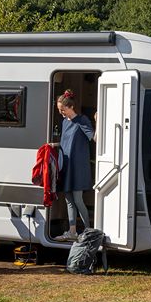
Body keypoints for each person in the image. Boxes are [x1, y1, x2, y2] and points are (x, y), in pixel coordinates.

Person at [52, 89, 94, 242]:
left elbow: (94, 138)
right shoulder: (64, 122)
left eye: (62, 109)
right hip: (66, 165)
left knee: (77, 199)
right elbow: (66, 142)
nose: (60, 112)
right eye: (59, 109)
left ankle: (88, 230)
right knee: (68, 200)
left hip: (78, 166)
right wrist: (53, 145)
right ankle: (72, 232)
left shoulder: (82, 120)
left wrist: (101, 120)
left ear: (70, 107)